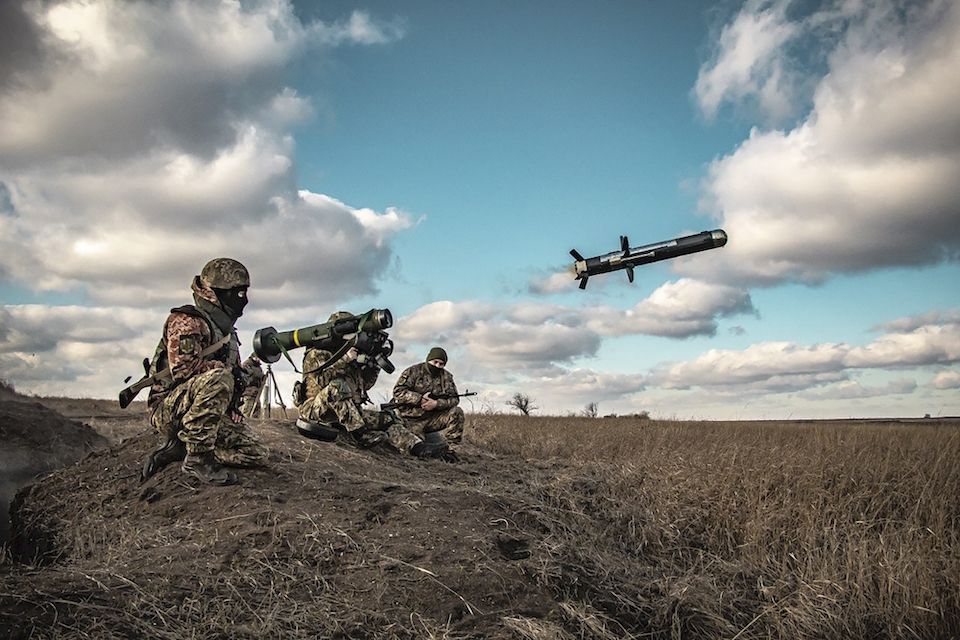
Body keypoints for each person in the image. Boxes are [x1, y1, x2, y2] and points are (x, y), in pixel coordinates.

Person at [140, 258, 269, 485]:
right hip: (169, 410)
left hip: (201, 409)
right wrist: (227, 373)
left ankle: (182, 448)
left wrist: (231, 406)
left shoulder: (228, 333)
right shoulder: (187, 321)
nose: (244, 300)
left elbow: (229, 375)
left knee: (256, 453)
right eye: (238, 294)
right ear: (217, 292)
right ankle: (198, 458)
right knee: (220, 378)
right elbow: (183, 369)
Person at [296, 311, 449, 459]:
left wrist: (373, 367)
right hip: (316, 410)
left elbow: (365, 386)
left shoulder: (351, 353)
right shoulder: (317, 353)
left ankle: (418, 448)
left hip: (348, 413)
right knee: (337, 385)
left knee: (388, 419)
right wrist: (345, 360)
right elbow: (321, 381)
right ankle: (360, 435)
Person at [390, 347, 465, 446]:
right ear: (428, 360)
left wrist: (436, 404)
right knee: (416, 446)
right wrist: (420, 399)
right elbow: (398, 391)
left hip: (433, 419)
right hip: (411, 419)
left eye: (441, 364)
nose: (437, 366)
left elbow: (454, 399)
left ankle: (451, 448)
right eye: (435, 362)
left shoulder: (446, 377)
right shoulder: (413, 371)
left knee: (457, 411)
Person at [239, 353, 266, 418]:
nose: (258, 359)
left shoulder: (258, 367)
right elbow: (244, 378)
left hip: (256, 393)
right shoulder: (246, 365)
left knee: (256, 413)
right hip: (248, 393)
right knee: (247, 412)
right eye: (257, 357)